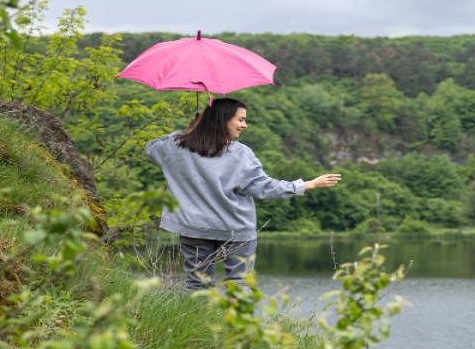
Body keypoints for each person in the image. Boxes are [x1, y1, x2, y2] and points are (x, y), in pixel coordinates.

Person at [145, 98, 341, 292]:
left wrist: (192, 128)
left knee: (196, 284)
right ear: (222, 120)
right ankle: (234, 323)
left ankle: (193, 324)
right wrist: (307, 185)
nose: (244, 125)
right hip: (235, 228)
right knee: (238, 284)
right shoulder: (240, 154)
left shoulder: (177, 146)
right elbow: (265, 188)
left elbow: (151, 148)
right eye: (240, 120)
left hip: (193, 227)